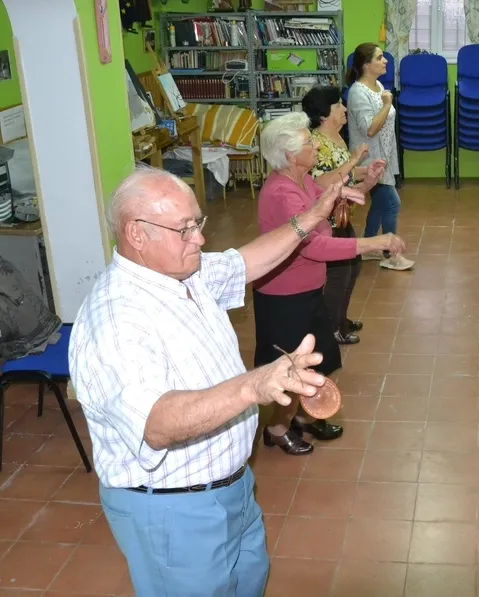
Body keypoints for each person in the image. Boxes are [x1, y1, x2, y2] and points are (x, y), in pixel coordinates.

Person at [68, 164, 339, 596]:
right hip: (172, 510)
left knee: (249, 580)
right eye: (185, 229)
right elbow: (157, 424)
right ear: (137, 234)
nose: (200, 238)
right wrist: (254, 386)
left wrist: (310, 217)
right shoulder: (117, 320)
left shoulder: (182, 273)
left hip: (230, 488)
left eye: (198, 222)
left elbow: (245, 262)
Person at [254, 112, 406, 455]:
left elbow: (336, 198)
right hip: (283, 297)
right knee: (291, 371)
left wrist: (365, 185)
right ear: (291, 155)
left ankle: (304, 419)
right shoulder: (282, 194)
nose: (315, 147)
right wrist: (373, 243)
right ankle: (277, 428)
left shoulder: (302, 180)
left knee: (320, 359)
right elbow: (315, 246)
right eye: (309, 143)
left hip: (306, 291)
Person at [301, 86, 388, 345]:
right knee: (339, 275)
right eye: (339, 105)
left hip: (341, 215)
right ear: (325, 114)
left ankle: (341, 319)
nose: (344, 108)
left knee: (353, 267)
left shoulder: (337, 137)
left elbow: (346, 173)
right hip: (326, 220)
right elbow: (325, 181)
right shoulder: (316, 143)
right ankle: (332, 328)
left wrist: (366, 171)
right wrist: (353, 161)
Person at [345, 42, 414, 271]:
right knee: (392, 204)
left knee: (380, 204)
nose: (385, 61)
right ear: (366, 65)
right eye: (380, 57)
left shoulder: (377, 85)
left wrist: (385, 102)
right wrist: (387, 104)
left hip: (384, 156)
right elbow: (370, 129)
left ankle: (366, 246)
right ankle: (390, 253)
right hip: (369, 159)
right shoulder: (357, 92)